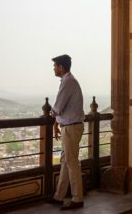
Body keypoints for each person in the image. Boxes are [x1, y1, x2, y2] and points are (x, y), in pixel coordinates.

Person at [48, 54, 85, 210]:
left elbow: (57, 107)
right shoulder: (69, 81)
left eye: (55, 66)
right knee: (66, 161)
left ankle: (78, 199)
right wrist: (56, 123)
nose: (53, 69)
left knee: (71, 162)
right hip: (69, 126)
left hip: (71, 127)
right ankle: (60, 195)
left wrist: (51, 117)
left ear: (61, 67)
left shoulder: (68, 82)